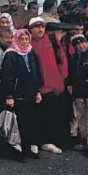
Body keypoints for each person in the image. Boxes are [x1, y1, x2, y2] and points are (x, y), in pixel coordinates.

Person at [1, 29, 43, 161]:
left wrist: (37, 91)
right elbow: (7, 76)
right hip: (17, 94)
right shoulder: (11, 54)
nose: (24, 42)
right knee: (18, 124)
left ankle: (27, 149)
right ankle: (16, 151)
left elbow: (37, 72)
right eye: (22, 39)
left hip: (30, 93)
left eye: (26, 39)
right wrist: (8, 95)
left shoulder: (31, 51)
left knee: (30, 123)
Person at [28, 17, 68, 153]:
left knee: (50, 115)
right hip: (35, 86)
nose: (40, 29)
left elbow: (62, 59)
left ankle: (47, 141)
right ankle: (34, 141)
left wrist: (61, 79)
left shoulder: (51, 40)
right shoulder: (27, 42)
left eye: (42, 27)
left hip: (52, 85)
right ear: (30, 29)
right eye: (36, 27)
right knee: (34, 115)